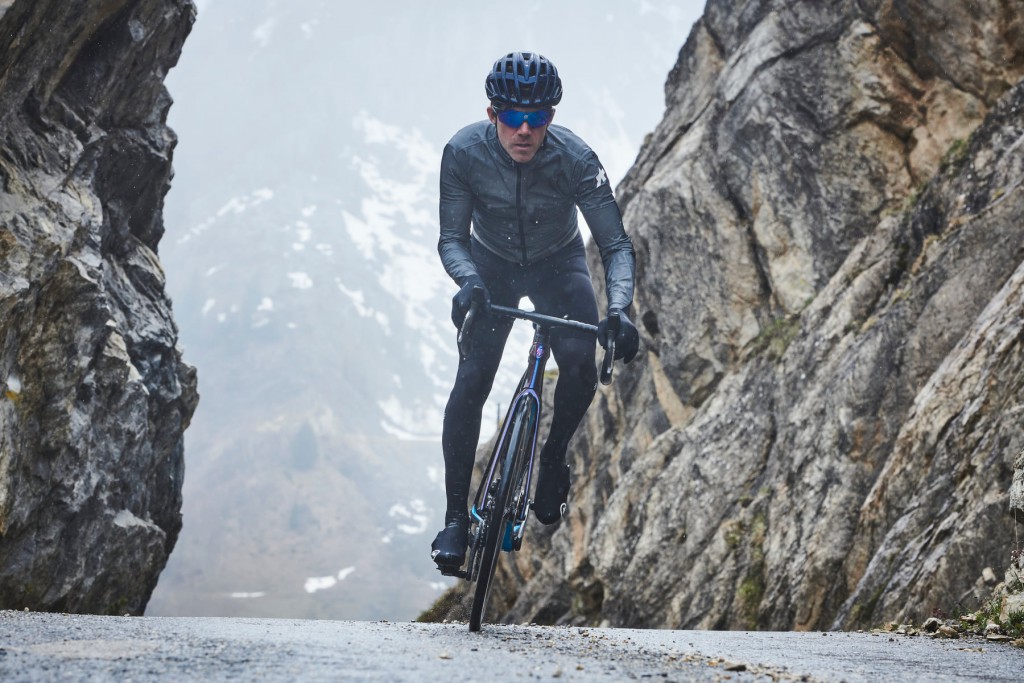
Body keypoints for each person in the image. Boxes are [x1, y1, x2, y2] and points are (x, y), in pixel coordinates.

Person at [431, 51, 639, 571]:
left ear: (552, 116)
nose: (524, 129)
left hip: (558, 265)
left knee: (580, 365)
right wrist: (469, 281)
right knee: (471, 381)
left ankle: (552, 461)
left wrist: (618, 308)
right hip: (491, 267)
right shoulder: (462, 152)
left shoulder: (577, 159)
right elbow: (452, 238)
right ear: (491, 114)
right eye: (511, 116)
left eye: (537, 117)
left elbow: (615, 245)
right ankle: (455, 520)